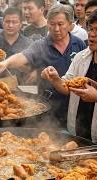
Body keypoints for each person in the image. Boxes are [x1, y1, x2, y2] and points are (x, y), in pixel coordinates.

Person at [0, 4, 87, 127]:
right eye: (52, 24)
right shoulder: (41, 45)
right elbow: (23, 56)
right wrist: (5, 63)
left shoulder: (79, 44)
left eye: (60, 24)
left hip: (76, 105)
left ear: (70, 24)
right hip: (50, 109)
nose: (56, 29)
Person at [41, 11, 97, 142]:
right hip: (78, 131)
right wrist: (56, 78)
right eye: (91, 29)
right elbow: (67, 87)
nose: (92, 34)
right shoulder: (81, 57)